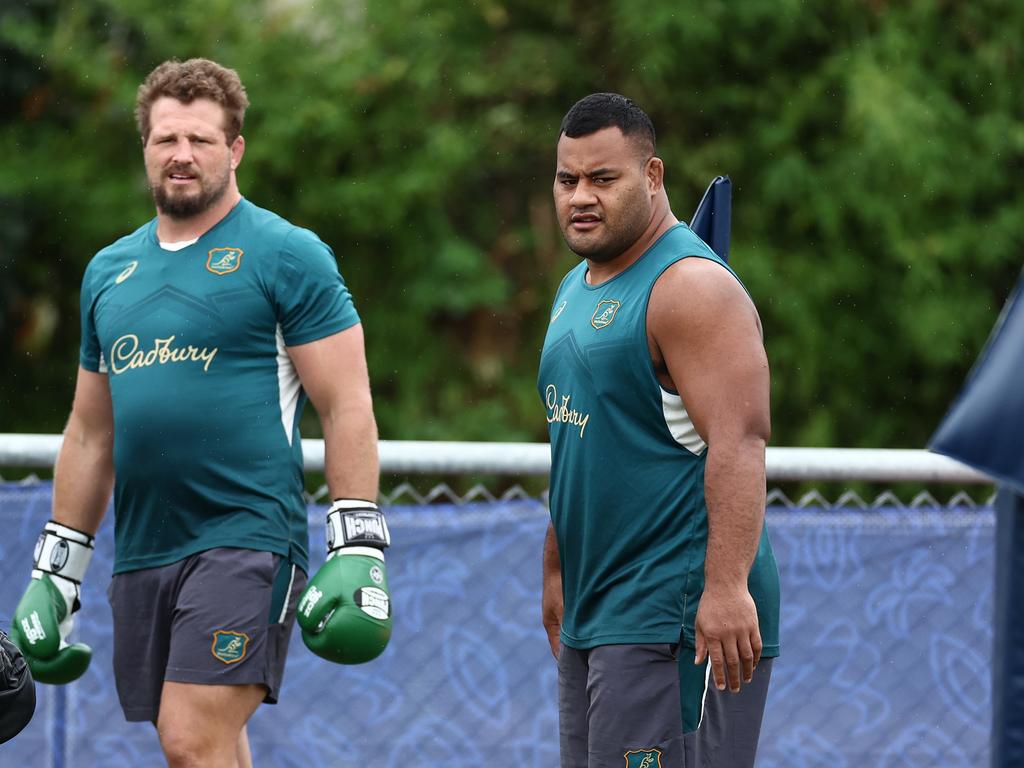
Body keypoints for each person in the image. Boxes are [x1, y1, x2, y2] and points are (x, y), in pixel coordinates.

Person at [9, 58, 391, 767]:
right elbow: (91, 434)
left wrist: (359, 544)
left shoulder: (287, 254)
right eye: (165, 140)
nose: (181, 155)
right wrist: (56, 573)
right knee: (201, 744)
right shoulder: (108, 272)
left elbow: (347, 405)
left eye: (201, 140)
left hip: (245, 537)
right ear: (146, 149)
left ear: (235, 149)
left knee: (191, 735)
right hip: (146, 548)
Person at [538, 93, 780, 768]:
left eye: (603, 179)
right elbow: (583, 440)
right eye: (567, 180)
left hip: (673, 616)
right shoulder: (574, 288)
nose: (581, 197)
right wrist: (557, 563)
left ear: (652, 177)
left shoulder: (692, 288)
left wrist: (727, 588)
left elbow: (740, 443)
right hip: (598, 606)